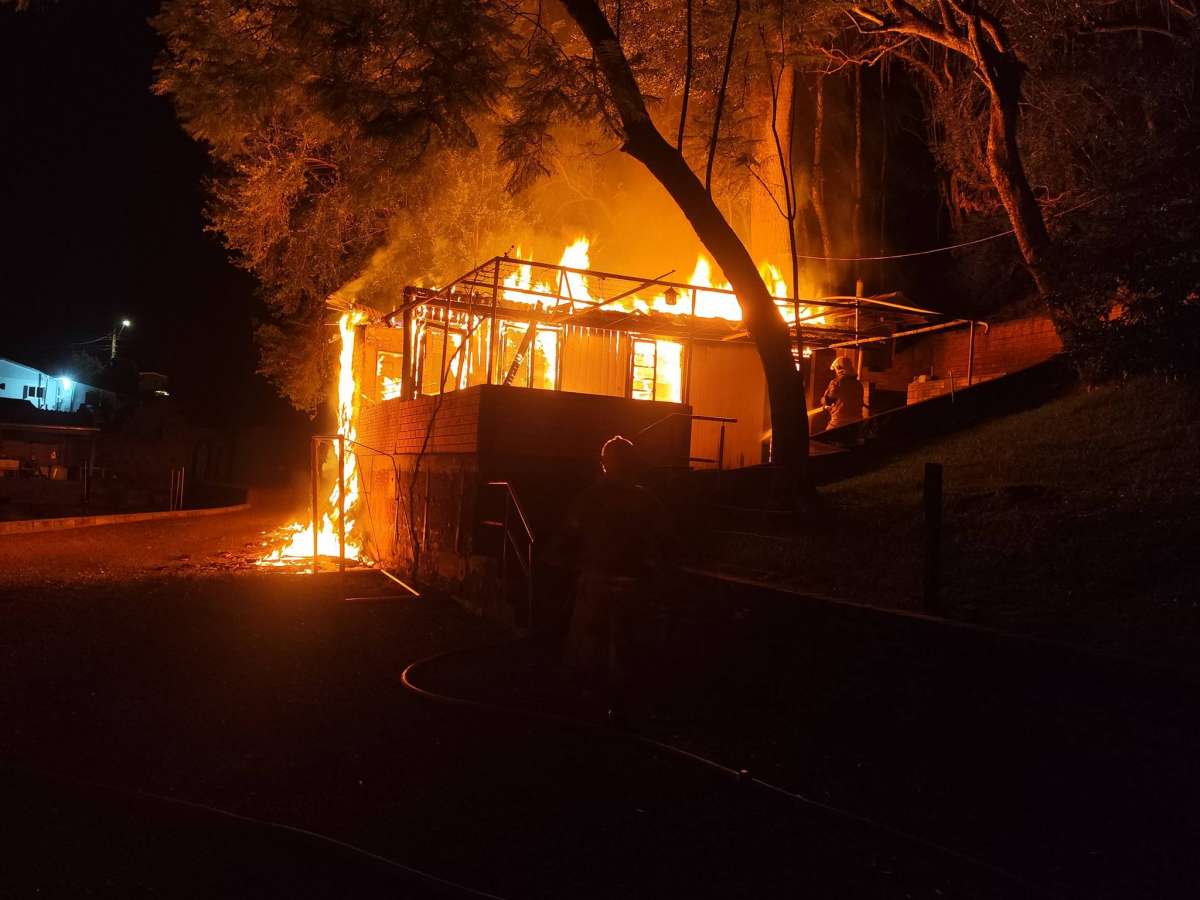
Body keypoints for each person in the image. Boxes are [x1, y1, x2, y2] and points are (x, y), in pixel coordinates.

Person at [563, 435, 671, 723]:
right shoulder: (647, 500)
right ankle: (626, 710)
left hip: (597, 582)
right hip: (634, 585)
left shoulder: (589, 498)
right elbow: (662, 539)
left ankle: (590, 709)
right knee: (631, 648)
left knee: (590, 646)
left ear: (604, 464)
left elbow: (571, 534)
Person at [821, 356, 865, 431]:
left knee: (825, 439)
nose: (835, 372)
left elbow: (827, 401)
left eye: (835, 369)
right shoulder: (858, 384)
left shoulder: (836, 382)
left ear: (838, 368)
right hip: (856, 425)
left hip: (839, 423)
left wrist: (824, 403)